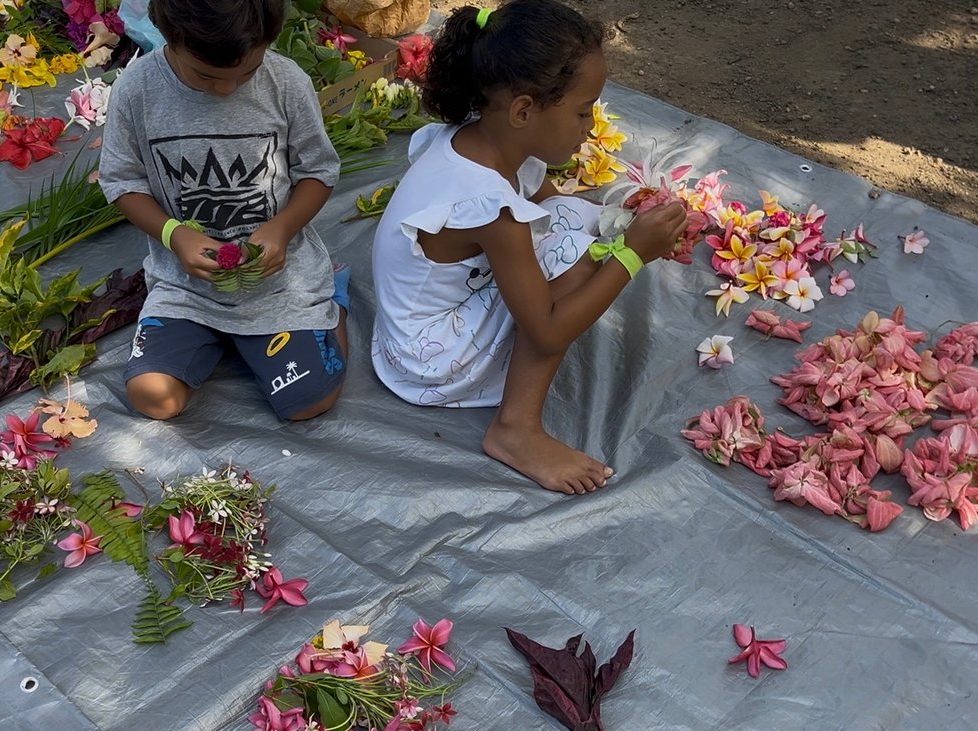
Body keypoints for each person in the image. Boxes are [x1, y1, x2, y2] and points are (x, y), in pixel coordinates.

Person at [370, 0, 687, 495]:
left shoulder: (479, 141)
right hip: (426, 359)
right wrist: (632, 255)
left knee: (576, 230)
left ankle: (516, 414)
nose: (589, 125)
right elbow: (547, 331)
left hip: (407, 329)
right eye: (583, 112)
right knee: (575, 267)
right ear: (523, 110)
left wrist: (625, 221)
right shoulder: (492, 209)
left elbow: (555, 207)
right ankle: (516, 429)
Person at [97, 0, 348, 422]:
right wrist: (174, 234)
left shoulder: (285, 82)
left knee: (308, 401)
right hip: (186, 285)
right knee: (153, 396)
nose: (228, 89)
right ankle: (218, 334)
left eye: (246, 73)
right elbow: (122, 182)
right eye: (207, 76)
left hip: (276, 279)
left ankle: (332, 300)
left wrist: (282, 228)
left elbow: (319, 171)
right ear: (168, 37)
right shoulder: (137, 89)